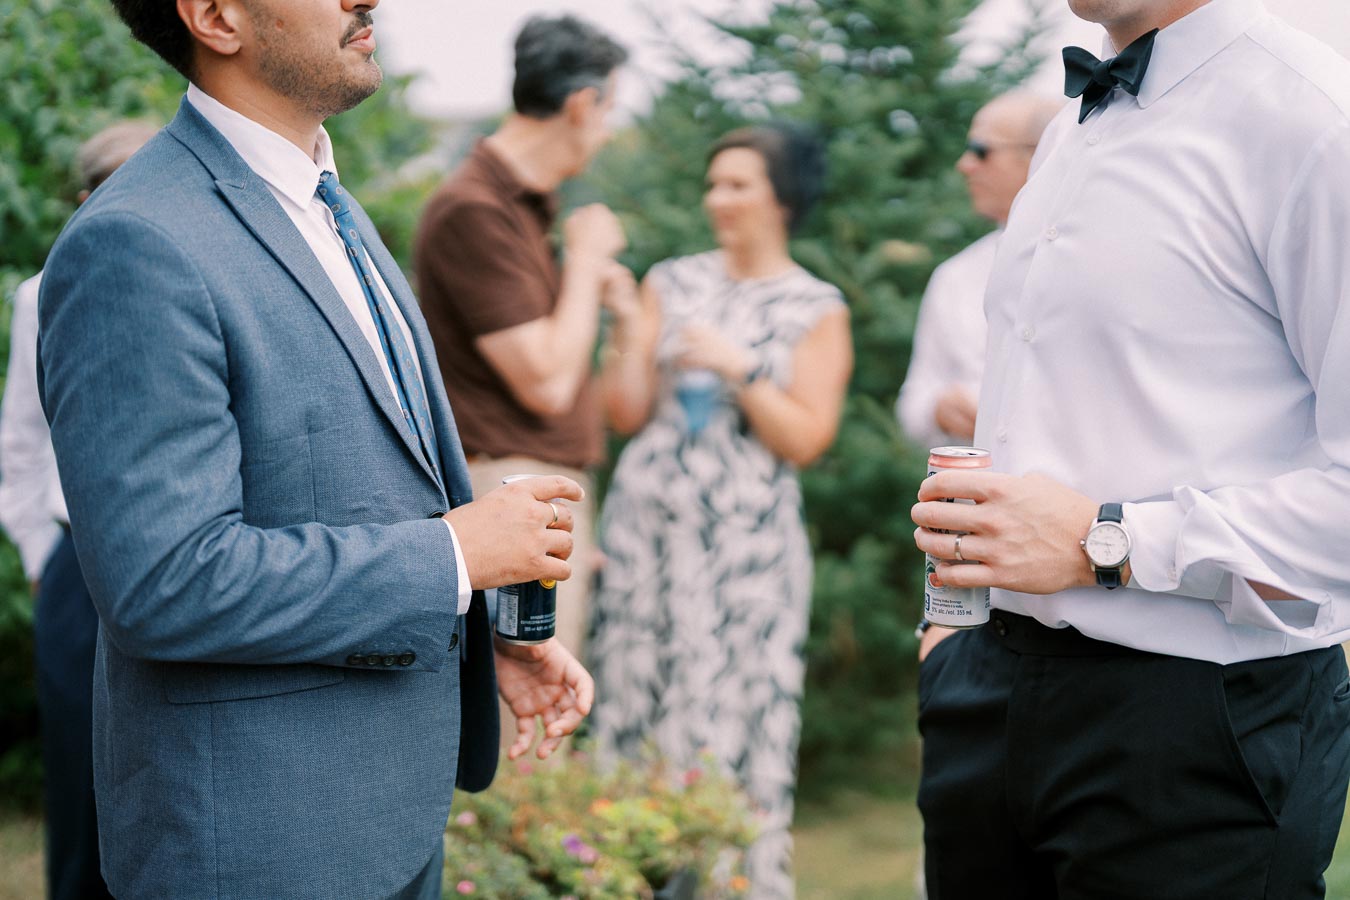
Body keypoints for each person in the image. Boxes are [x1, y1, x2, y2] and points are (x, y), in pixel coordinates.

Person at [36, 1, 592, 897]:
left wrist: (469, 630)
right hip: (261, 846)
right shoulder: (135, 242)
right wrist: (455, 554)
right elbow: (165, 581)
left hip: (383, 822)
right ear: (217, 16)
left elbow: (346, 488)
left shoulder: (325, 202)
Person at [911, 0, 1350, 896]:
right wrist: (954, 645)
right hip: (987, 690)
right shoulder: (1071, 125)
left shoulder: (1315, 120)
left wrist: (1102, 543)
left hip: (1195, 724)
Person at [589, 124, 853, 899]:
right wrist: (630, 335)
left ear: (782, 196)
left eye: (737, 183)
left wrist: (742, 371)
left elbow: (805, 438)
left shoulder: (816, 305)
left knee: (738, 713)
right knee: (636, 703)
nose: (718, 199)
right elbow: (626, 412)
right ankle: (627, 877)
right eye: (713, 184)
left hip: (747, 550)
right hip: (651, 533)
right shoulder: (670, 280)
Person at [413, 14, 628, 750]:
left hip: (536, 488)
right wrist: (591, 264)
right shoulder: (474, 208)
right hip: (510, 488)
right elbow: (542, 380)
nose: (605, 132)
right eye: (610, 112)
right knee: (523, 737)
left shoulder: (523, 211)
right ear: (581, 105)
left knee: (542, 732)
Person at [0, 119, 157, 900]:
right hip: (77, 570)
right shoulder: (42, 294)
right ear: (86, 199)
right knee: (81, 779)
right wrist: (41, 559)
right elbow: (20, 442)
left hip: (174, 560)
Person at [896, 92, 1060, 448]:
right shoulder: (955, 275)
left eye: (981, 150)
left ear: (1042, 153)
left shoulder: (1104, 261)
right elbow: (914, 398)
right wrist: (936, 409)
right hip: (971, 494)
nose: (964, 164)